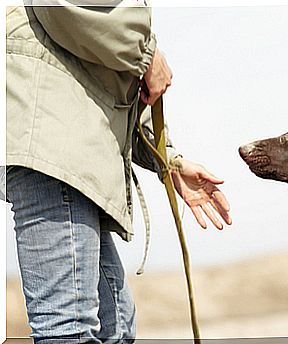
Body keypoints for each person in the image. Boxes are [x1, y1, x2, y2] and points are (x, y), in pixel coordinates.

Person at [6, 2, 232, 343]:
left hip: (70, 138)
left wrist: (167, 160)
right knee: (68, 329)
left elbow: (113, 85)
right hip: (52, 135)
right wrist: (146, 52)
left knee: (116, 325)